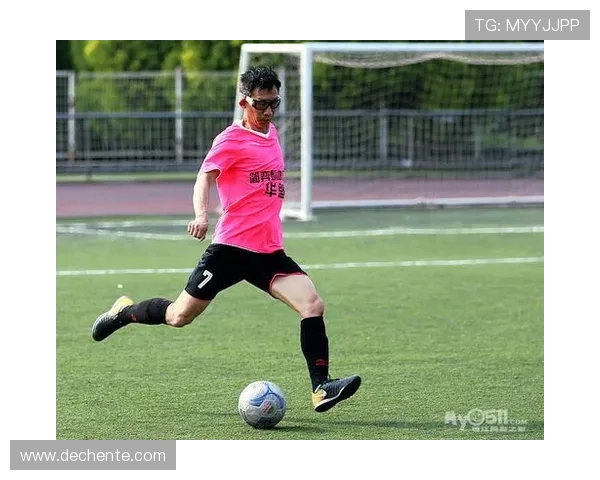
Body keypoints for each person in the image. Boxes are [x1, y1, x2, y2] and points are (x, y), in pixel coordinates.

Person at [91, 65, 361, 413]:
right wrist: (201, 214)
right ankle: (123, 312)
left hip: (268, 251)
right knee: (178, 316)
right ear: (243, 102)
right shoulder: (230, 139)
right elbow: (204, 178)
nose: (268, 111)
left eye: (274, 103)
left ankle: (321, 388)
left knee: (312, 305)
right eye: (261, 104)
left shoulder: (272, 134)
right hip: (230, 249)